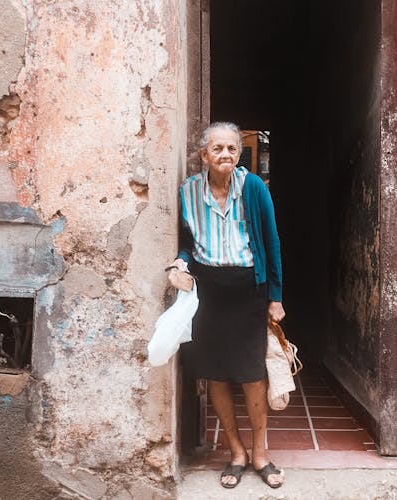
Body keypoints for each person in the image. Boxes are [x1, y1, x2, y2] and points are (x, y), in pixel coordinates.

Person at [167, 122, 285, 489]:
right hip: (209, 295)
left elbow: (272, 241)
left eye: (232, 149)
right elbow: (186, 241)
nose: (226, 155)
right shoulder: (188, 191)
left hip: (249, 291)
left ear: (239, 153)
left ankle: (260, 454)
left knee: (252, 375)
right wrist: (180, 262)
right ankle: (236, 453)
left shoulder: (253, 188)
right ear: (204, 155)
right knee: (216, 373)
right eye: (217, 149)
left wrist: (276, 297)